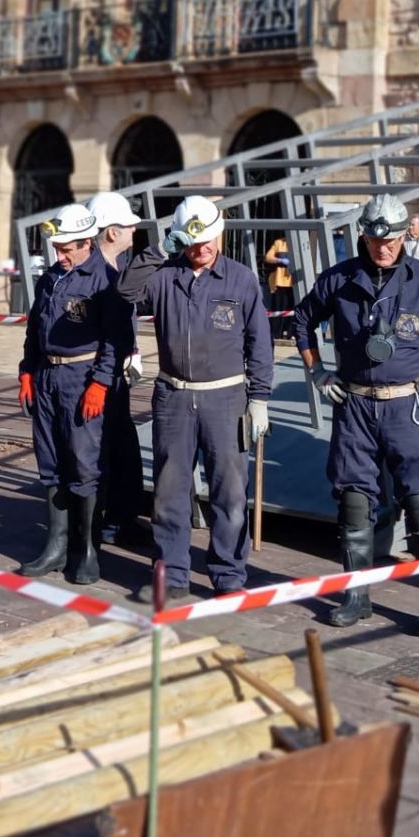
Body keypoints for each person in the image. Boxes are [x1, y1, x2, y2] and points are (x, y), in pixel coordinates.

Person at [296, 194, 419, 635]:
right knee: (353, 499)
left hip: (409, 404)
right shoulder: (339, 280)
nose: (382, 248)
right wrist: (317, 371)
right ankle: (357, 595)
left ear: (406, 236)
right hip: (355, 404)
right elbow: (303, 320)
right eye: (373, 239)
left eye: (391, 240)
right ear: (362, 236)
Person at [116, 196, 273, 604]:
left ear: (220, 234)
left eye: (207, 240)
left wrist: (260, 398)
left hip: (227, 397)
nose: (200, 248)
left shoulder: (241, 279)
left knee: (229, 492)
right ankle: (172, 575)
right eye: (191, 241)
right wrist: (160, 249)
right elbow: (127, 289)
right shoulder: (165, 276)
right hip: (174, 396)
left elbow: (260, 342)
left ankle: (229, 575)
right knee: (170, 492)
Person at [15, 204, 122, 584]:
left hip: (82, 376)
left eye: (67, 249)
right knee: (51, 461)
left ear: (87, 242)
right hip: (47, 375)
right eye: (57, 248)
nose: (59, 255)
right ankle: (56, 546)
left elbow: (116, 339)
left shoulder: (105, 280)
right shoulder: (50, 280)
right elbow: (34, 329)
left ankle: (87, 548)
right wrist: (27, 370)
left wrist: (100, 382)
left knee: (84, 463)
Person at [86, 190, 146, 545]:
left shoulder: (117, 268)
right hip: (100, 375)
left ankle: (122, 518)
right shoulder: (96, 273)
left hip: (116, 373)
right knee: (105, 449)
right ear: (111, 232)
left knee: (124, 447)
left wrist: (134, 349)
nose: (133, 232)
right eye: (128, 226)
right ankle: (105, 523)